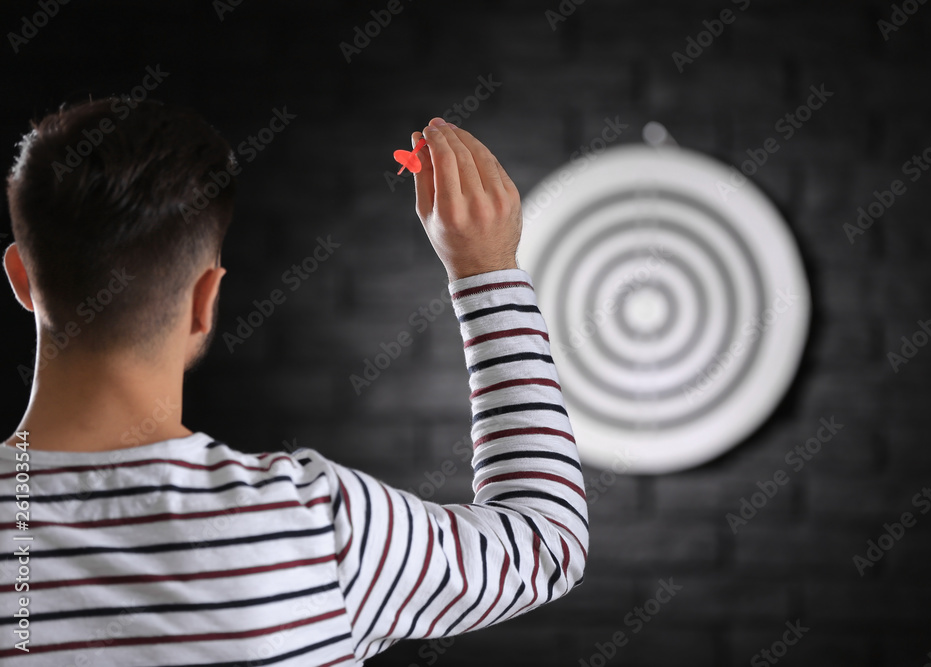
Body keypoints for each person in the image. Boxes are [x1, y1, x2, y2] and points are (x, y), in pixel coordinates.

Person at [0, 99, 588, 665]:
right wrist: (485, 271)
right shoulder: (318, 527)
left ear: (22, 278)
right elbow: (547, 543)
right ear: (205, 301)